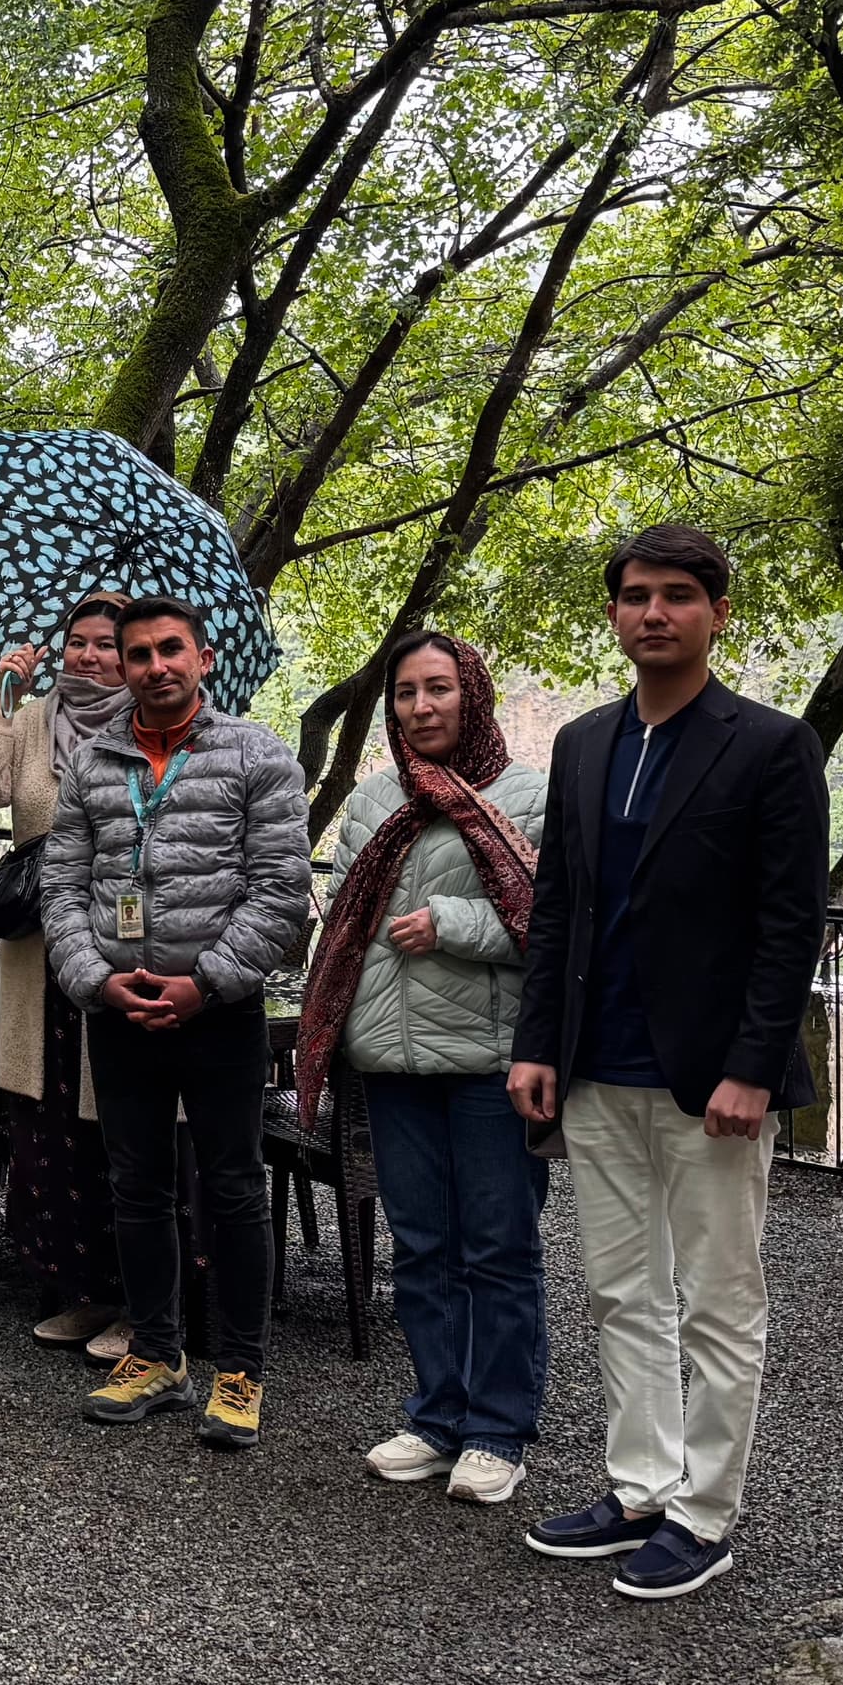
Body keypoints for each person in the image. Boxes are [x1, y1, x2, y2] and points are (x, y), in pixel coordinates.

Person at [508, 522, 829, 1603]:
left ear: (717, 614)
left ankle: (705, 1513)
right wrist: (537, 1045)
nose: (655, 612)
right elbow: (558, 907)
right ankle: (641, 1487)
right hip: (596, 1066)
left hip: (711, 1080)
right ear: (614, 612)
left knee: (719, 1302)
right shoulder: (585, 743)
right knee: (619, 1291)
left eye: (679, 595)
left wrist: (755, 1065)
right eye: (638, 594)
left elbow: (791, 923)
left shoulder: (770, 746)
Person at [41, 596, 311, 1447]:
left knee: (233, 1188)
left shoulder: (256, 754)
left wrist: (207, 982)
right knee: (136, 1186)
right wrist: (95, 981)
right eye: (139, 654)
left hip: (218, 1013)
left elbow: (281, 891)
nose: (155, 666)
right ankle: (157, 1354)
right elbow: (61, 886)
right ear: (123, 667)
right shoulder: (93, 761)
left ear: (203, 658)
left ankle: (241, 1369)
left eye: (171, 650)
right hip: (120, 1013)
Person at [291, 632, 546, 1504]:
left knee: (497, 1246)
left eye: (438, 688)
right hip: (391, 1057)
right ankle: (437, 1415)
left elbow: (552, 921)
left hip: (488, 1060)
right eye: (405, 693)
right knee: (422, 1244)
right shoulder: (374, 798)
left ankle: (498, 1430)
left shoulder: (526, 797)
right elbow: (346, 922)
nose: (421, 706)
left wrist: (453, 923)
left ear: (472, 694)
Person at [0, 594, 125, 1345]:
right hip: (39, 960)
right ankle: (81, 1289)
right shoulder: (31, 721)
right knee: (50, 1130)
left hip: (121, 954)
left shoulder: (153, 724)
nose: (90, 656)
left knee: (120, 1126)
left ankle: (142, 1303)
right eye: (77, 641)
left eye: (107, 644)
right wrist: (4, 700)